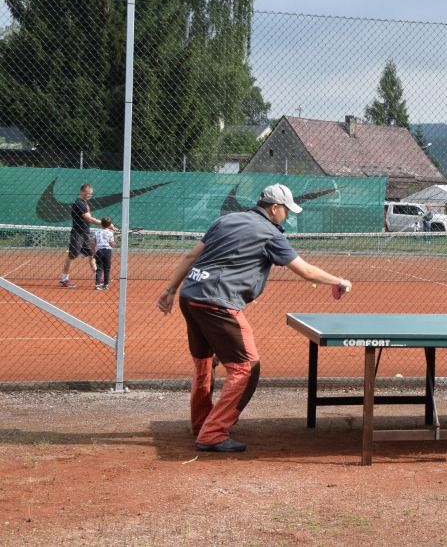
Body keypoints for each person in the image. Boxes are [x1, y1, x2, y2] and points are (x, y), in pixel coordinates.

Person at [156, 184, 353, 453]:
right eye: (286, 211)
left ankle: (202, 423)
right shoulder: (271, 234)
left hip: (190, 296)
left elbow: (192, 255)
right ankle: (213, 433)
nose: (288, 216)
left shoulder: (225, 220)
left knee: (203, 363)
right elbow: (305, 270)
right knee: (247, 368)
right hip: (218, 303)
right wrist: (338, 280)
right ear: (274, 208)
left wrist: (169, 290)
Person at [59, 184, 102, 288]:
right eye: (87, 193)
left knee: (92, 255)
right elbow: (89, 218)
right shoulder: (79, 204)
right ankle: (64, 279)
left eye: (90, 194)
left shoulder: (84, 202)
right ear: (81, 192)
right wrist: (104, 223)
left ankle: (98, 278)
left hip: (85, 233)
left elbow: (90, 218)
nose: (89, 196)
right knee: (72, 256)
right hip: (77, 234)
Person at [91, 217, 115, 291]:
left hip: (99, 251)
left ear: (101, 224)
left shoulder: (97, 232)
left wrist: (94, 251)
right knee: (107, 268)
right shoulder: (110, 233)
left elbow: (93, 242)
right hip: (107, 251)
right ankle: (105, 285)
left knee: (99, 268)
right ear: (110, 225)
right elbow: (112, 244)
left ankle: (97, 285)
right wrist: (117, 239)